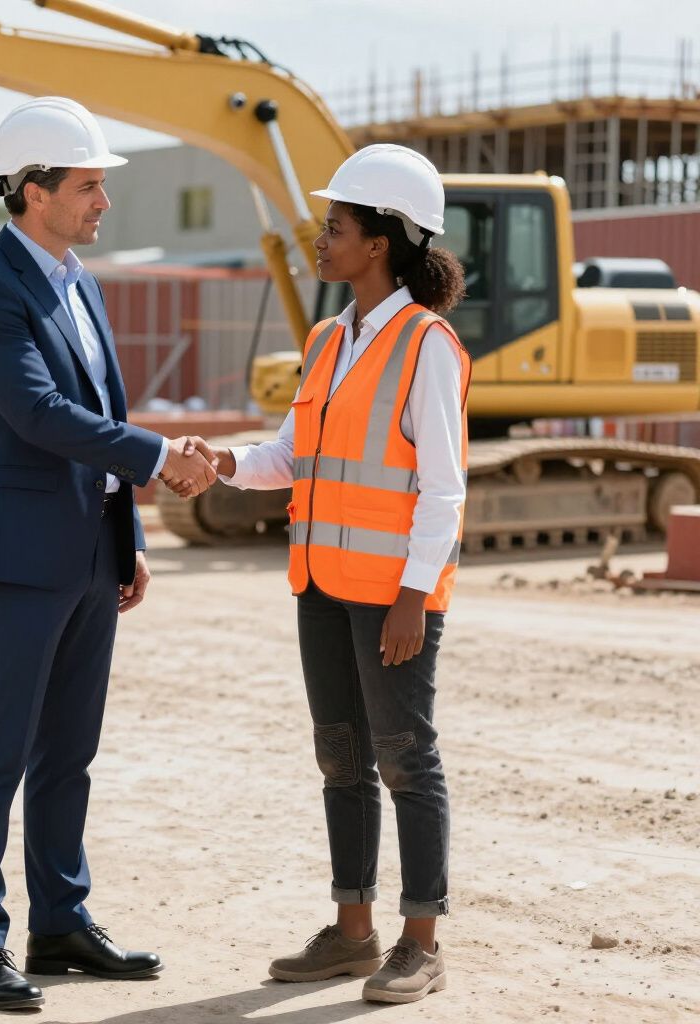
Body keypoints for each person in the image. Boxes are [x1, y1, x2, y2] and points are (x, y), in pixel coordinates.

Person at [0, 96, 217, 1012]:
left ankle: (59, 922)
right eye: (89, 185)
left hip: (89, 557)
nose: (104, 201)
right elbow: (39, 416)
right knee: (0, 754)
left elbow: (98, 401)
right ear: (32, 191)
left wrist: (126, 534)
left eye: (102, 185)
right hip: (16, 560)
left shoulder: (79, 280)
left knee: (70, 755)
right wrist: (160, 457)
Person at [198, 145, 470, 1005]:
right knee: (342, 758)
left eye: (337, 227)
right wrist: (224, 462)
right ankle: (352, 933)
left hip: (390, 597)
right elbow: (292, 454)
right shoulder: (327, 338)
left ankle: (419, 941)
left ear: (380, 242)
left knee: (405, 758)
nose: (321, 239)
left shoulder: (426, 344)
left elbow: (443, 487)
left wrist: (414, 597)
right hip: (320, 584)